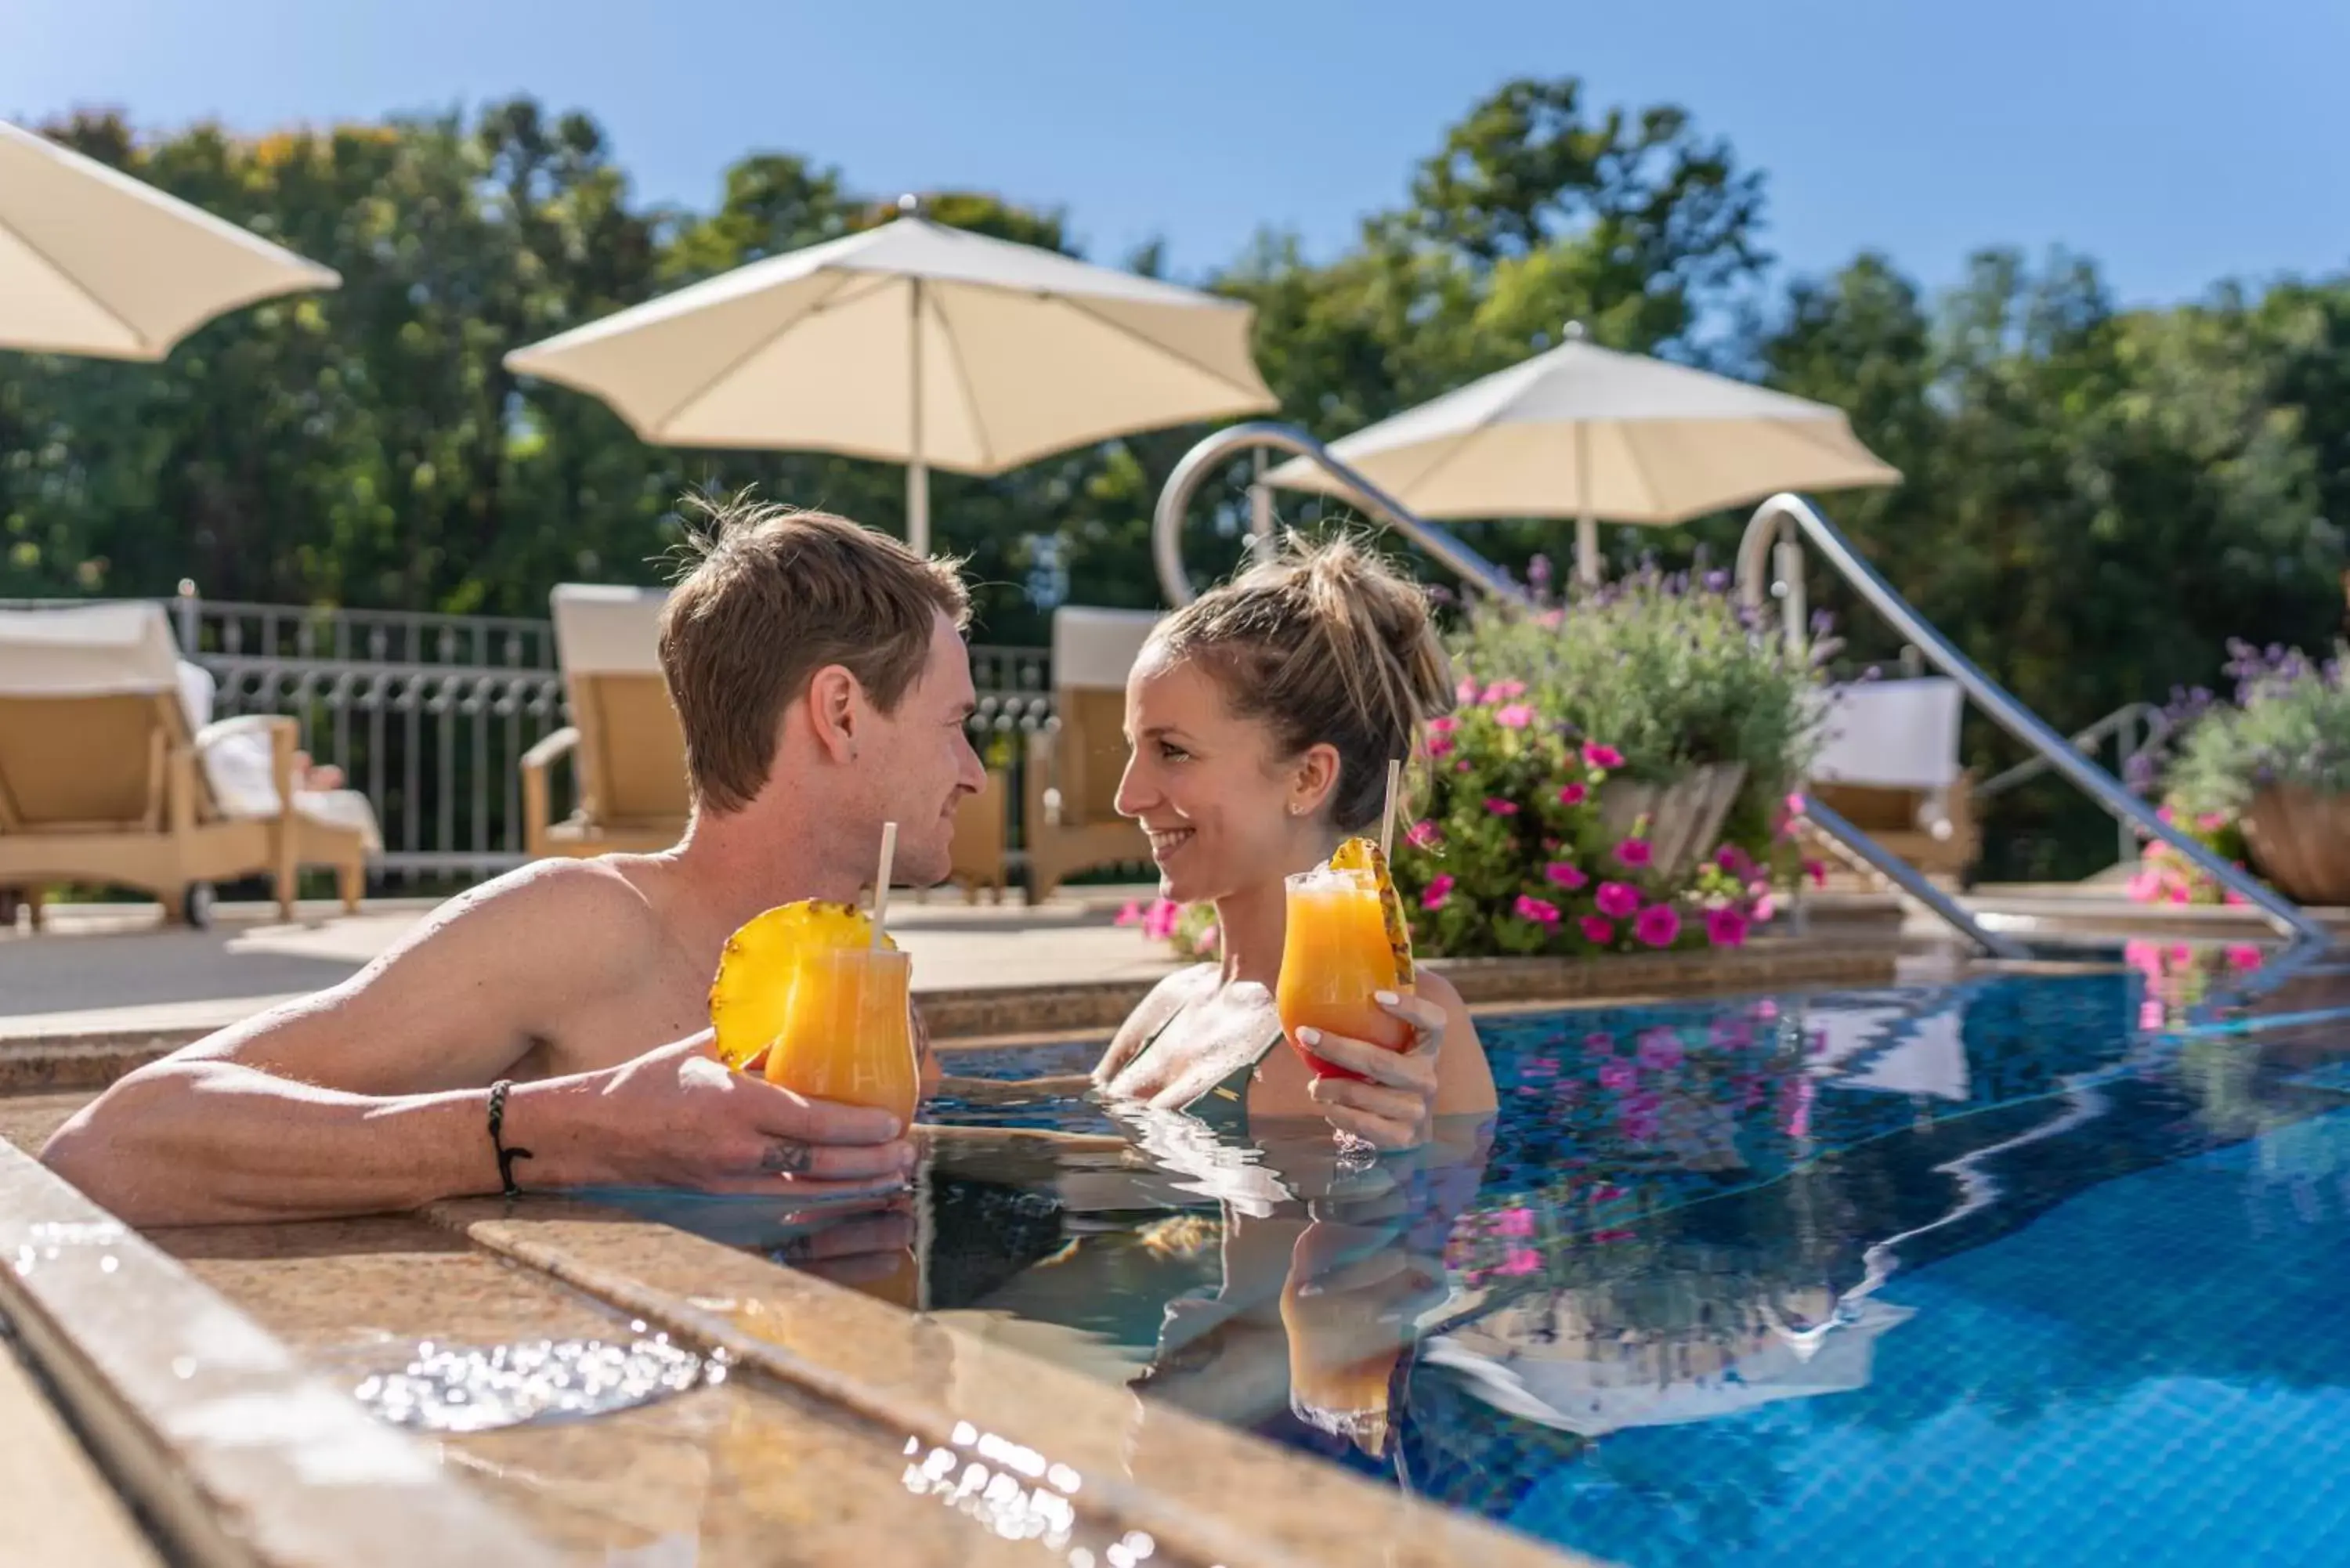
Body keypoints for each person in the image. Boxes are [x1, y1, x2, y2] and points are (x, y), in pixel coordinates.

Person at [42, 500, 986, 1226]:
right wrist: (568, 1132)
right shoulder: (591, 928)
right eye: (956, 726)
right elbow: (112, 1145)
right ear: (843, 712)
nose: (977, 775)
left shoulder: (867, 986)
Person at [942, 533, 1497, 1151]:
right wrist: (930, 1090)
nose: (1128, 796)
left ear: (1308, 778)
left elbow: (1450, 1238)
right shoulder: (1174, 1000)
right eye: (1134, 748)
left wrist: (1392, 1170)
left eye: (1172, 751)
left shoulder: (1399, 1027)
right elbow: (1069, 1124)